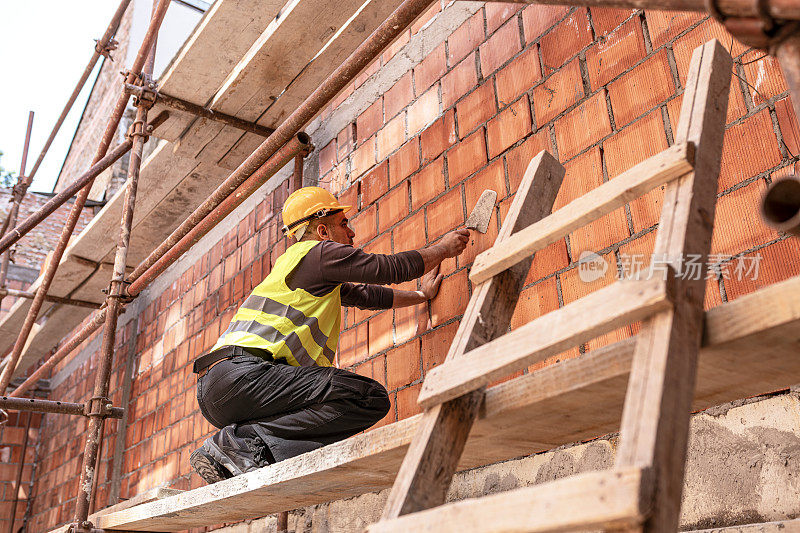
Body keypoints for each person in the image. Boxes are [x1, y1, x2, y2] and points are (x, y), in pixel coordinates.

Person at [190, 186, 469, 483]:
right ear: (322, 230)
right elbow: (385, 268)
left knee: (353, 399)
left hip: (217, 391)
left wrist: (420, 295)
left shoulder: (301, 267)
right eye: (344, 224)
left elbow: (369, 295)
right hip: (245, 376)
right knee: (368, 397)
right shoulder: (318, 254)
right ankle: (242, 443)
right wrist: (444, 249)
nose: (352, 233)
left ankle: (245, 450)